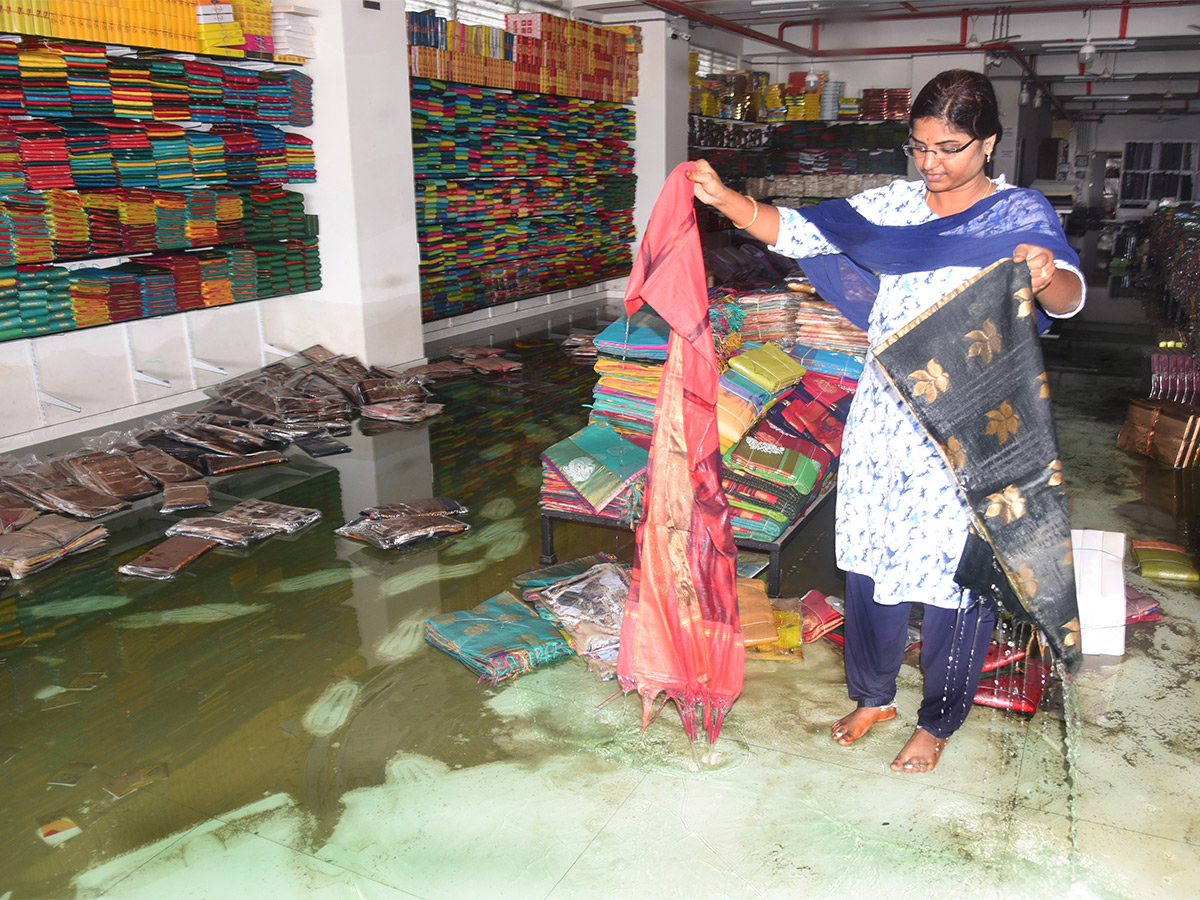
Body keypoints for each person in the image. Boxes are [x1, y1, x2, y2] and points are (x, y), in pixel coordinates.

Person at [689, 69, 1084, 773]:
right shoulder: (897, 204)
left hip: (968, 420)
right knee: (871, 559)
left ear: (988, 143)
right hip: (885, 411)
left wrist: (1046, 270)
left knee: (956, 577)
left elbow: (1070, 295)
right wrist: (728, 201)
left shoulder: (1016, 214)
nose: (932, 164)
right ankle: (873, 695)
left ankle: (938, 720)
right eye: (921, 146)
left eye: (951, 147)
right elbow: (803, 230)